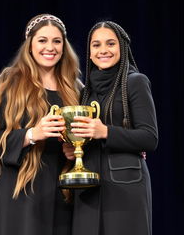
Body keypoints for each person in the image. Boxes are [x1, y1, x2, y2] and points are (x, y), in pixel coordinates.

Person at [0, 14, 82, 235]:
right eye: (42, 40)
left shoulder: (76, 88)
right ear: (30, 45)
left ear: (64, 46)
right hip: (20, 195)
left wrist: (76, 152)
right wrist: (32, 134)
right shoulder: (10, 83)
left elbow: (89, 136)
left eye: (56, 41)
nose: (50, 47)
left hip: (62, 199)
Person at [64, 21, 158, 235]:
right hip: (88, 188)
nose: (103, 50)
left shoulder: (135, 82)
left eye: (110, 44)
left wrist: (105, 132)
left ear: (122, 48)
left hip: (126, 187)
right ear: (89, 53)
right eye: (96, 45)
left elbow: (150, 137)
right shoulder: (85, 91)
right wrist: (74, 150)